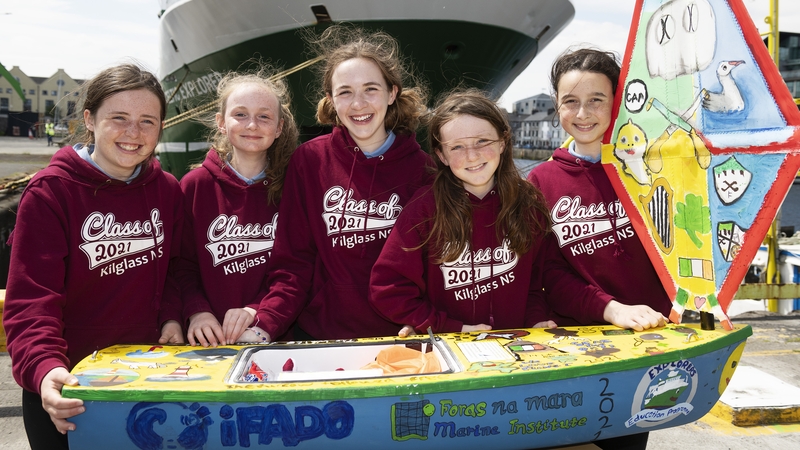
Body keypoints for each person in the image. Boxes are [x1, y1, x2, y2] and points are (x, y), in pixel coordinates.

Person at [369, 89, 664, 335]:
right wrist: (443, 325)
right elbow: (388, 288)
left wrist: (535, 319)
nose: (471, 155)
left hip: (514, 350)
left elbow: (536, 283)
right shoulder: (424, 210)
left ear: (503, 141)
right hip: (452, 346)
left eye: (483, 141)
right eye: (457, 147)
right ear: (442, 155)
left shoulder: (527, 204)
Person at [3, 64, 184, 449]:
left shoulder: (167, 190)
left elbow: (176, 270)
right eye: (119, 118)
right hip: (72, 388)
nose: (133, 133)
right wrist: (44, 367)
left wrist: (171, 313)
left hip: (148, 381)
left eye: (147, 121)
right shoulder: (50, 192)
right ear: (89, 118)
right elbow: (32, 299)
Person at [248, 25, 433, 342]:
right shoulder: (310, 161)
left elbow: (433, 266)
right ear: (331, 100)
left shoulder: (424, 170)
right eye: (345, 92)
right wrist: (266, 324)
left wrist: (425, 320)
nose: (358, 104)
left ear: (392, 93)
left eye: (371, 89)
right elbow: (294, 260)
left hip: (399, 335)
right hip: (321, 334)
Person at [527, 47, 673, 450]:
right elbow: (548, 275)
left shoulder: (654, 169)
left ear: (619, 101)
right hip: (576, 344)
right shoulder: (539, 183)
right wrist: (611, 308)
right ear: (557, 107)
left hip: (645, 345)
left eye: (596, 100)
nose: (583, 113)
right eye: (570, 102)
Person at [178, 67, 299, 347]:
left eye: (264, 116)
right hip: (208, 341)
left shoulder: (293, 187)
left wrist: (258, 312)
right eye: (240, 114)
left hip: (274, 337)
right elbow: (182, 266)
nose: (252, 125)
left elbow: (295, 269)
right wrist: (197, 312)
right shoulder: (195, 185)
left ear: (279, 127)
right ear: (221, 122)